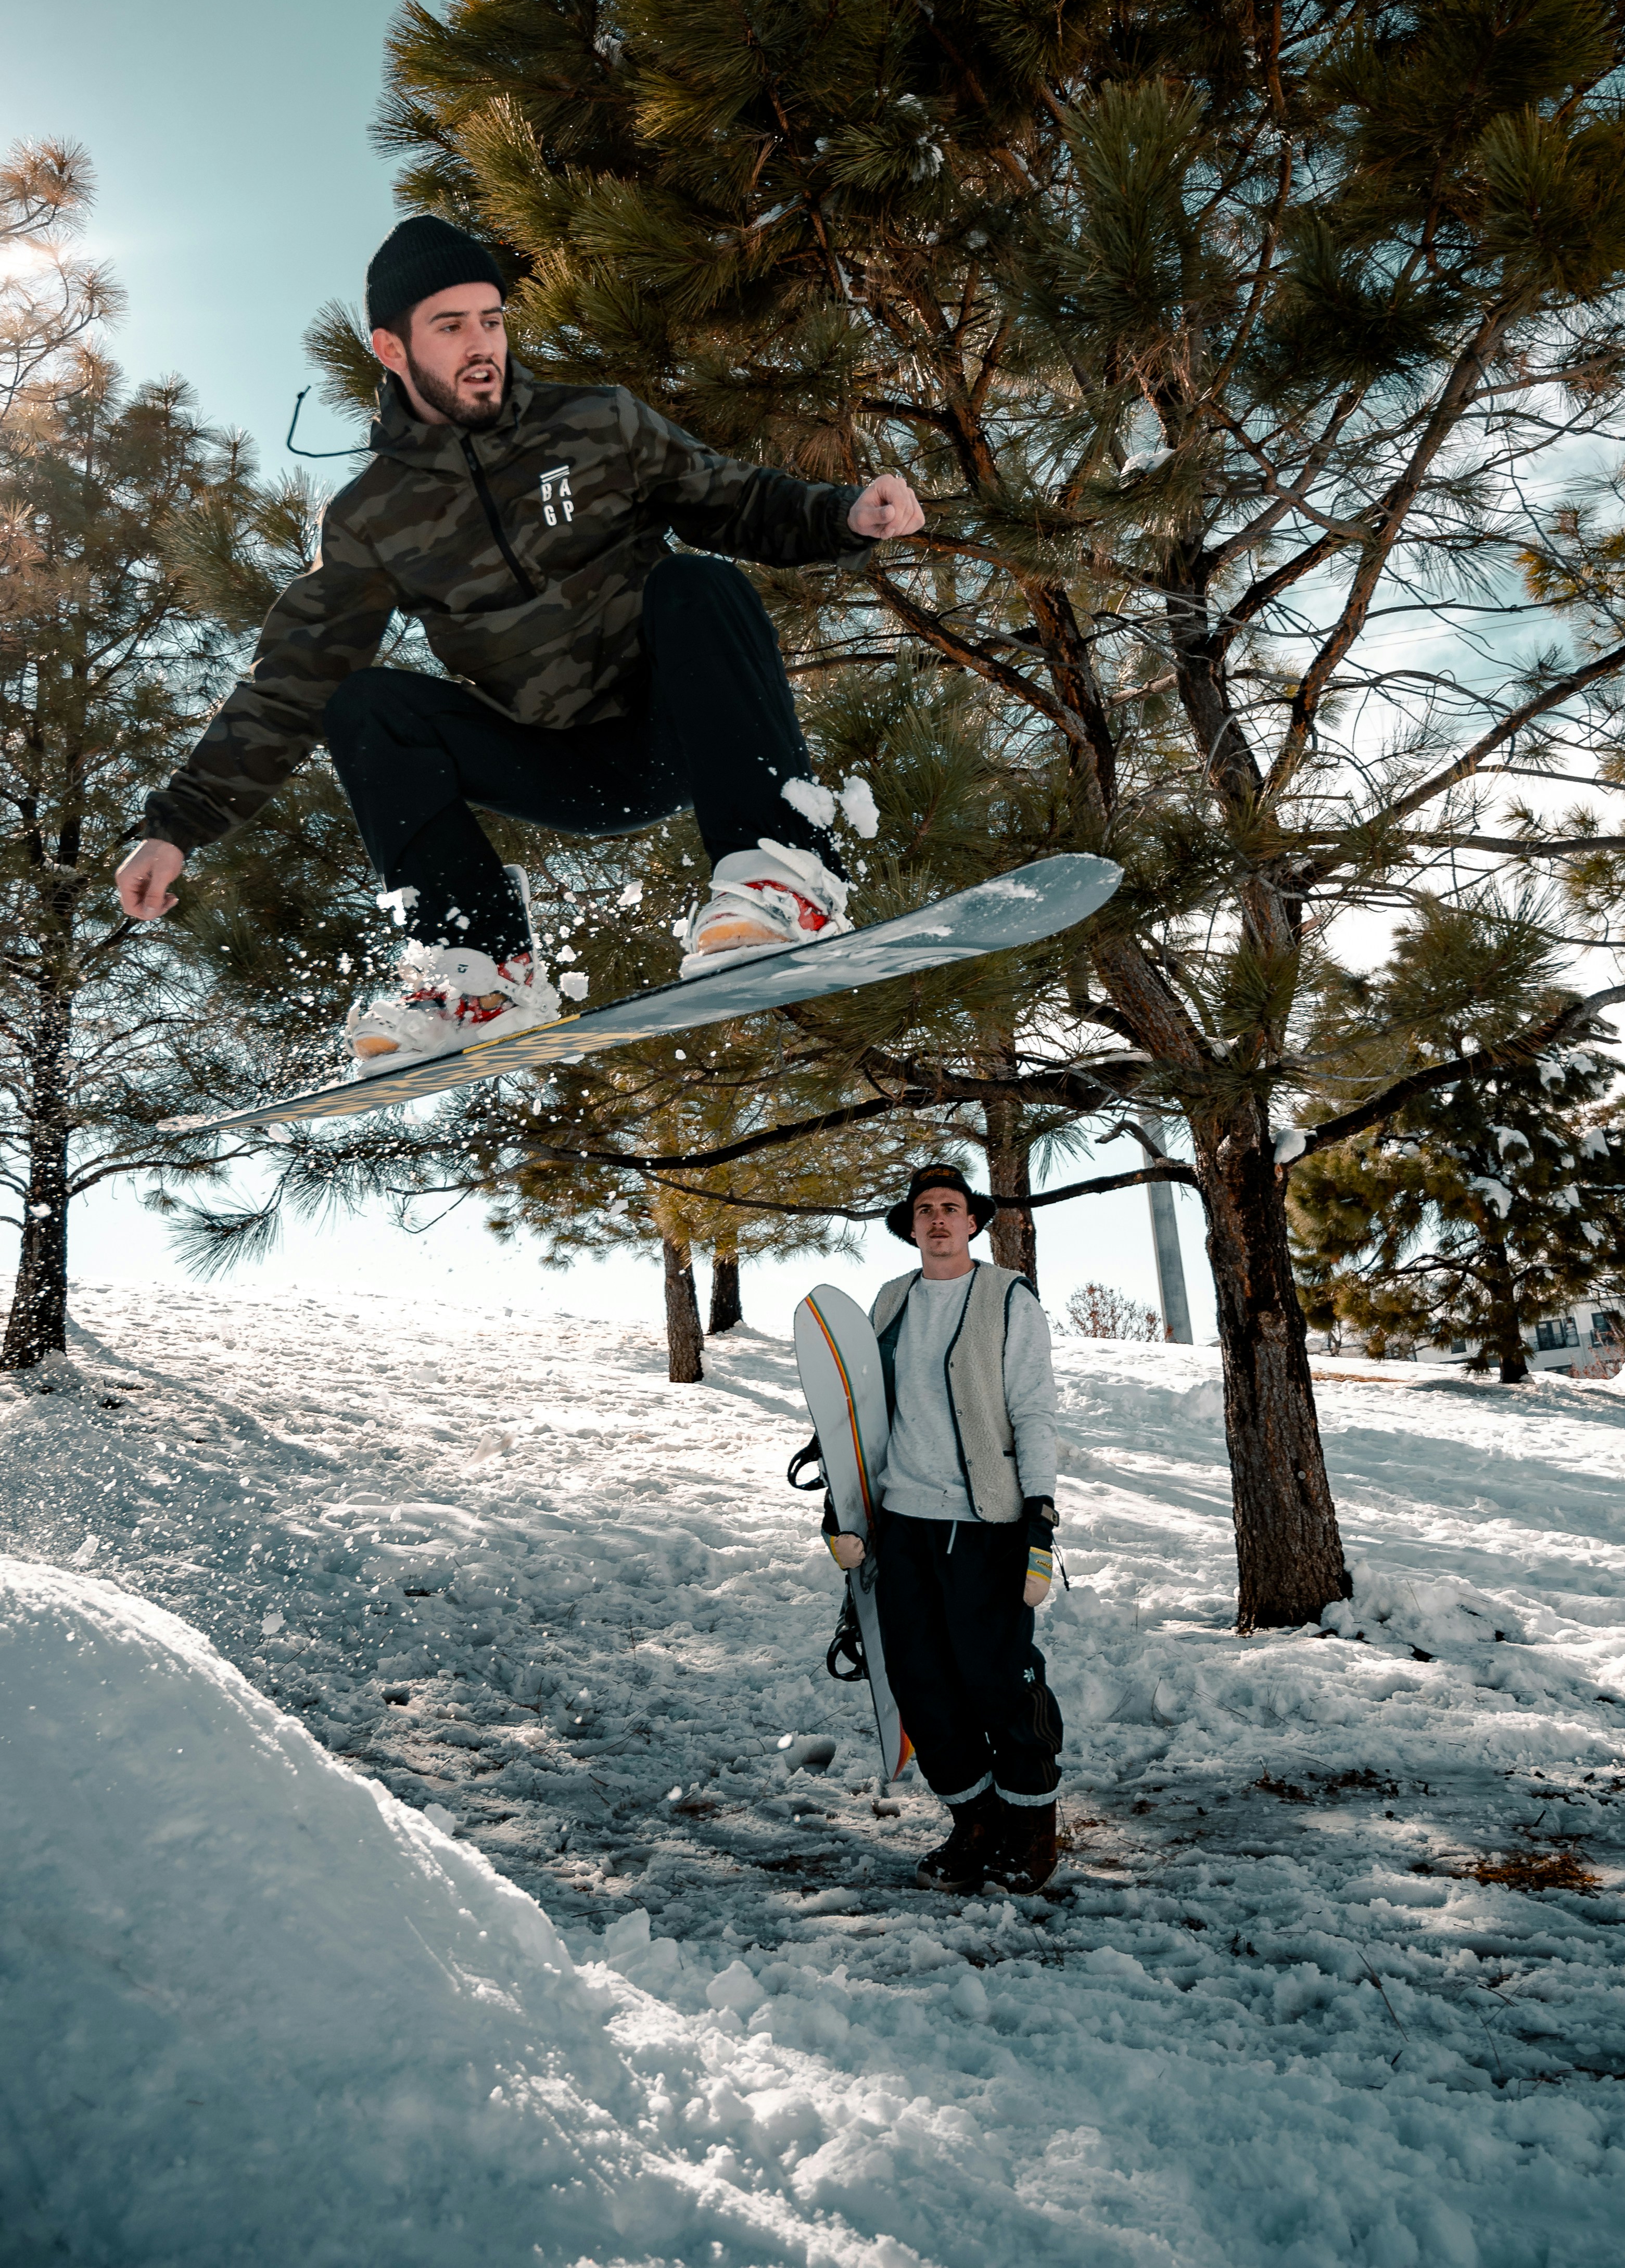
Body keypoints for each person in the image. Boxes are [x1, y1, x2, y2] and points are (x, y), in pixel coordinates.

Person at [113, 213, 923, 1065]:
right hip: (555, 765)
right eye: (451, 325)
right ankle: (479, 971)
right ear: (392, 350)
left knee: (697, 580)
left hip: (678, 728)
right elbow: (291, 680)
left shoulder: (598, 424)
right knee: (364, 704)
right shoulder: (373, 517)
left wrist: (842, 514)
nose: (480, 345)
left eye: (491, 320)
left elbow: (735, 501)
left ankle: (780, 877)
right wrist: (179, 828)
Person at [828, 1162, 1063, 1896]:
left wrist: (1040, 1520)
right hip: (902, 1524)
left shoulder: (1006, 1297)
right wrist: (841, 1510)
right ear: (912, 1225)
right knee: (920, 1683)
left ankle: (1031, 1830)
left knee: (997, 1680)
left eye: (951, 1207)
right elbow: (858, 1415)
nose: (937, 1219)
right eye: (924, 1208)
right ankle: (975, 1822)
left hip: (983, 1525)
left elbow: (1032, 1409)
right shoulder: (891, 1301)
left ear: (973, 1222)